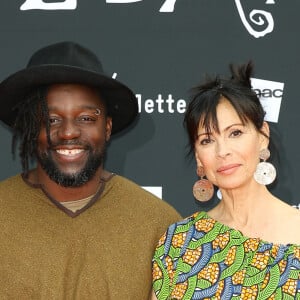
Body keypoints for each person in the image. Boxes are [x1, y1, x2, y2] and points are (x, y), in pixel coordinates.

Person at [0, 41, 181, 299]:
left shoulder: (158, 224)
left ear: (106, 128)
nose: (69, 132)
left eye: (86, 118)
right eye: (51, 119)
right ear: (30, 129)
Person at [150, 62, 300, 299]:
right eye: (207, 140)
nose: (223, 151)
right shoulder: (180, 243)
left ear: (263, 137)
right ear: (199, 157)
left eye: (235, 133)